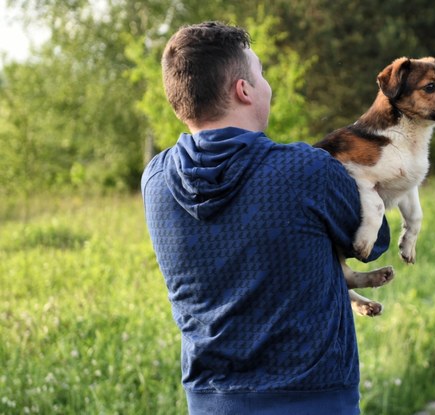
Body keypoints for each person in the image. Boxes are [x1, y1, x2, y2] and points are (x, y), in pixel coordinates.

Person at [141, 21, 390, 415]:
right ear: (244, 90)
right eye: (260, 74)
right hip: (315, 401)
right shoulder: (307, 170)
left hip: (210, 403)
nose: (267, 85)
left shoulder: (155, 180)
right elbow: (374, 242)